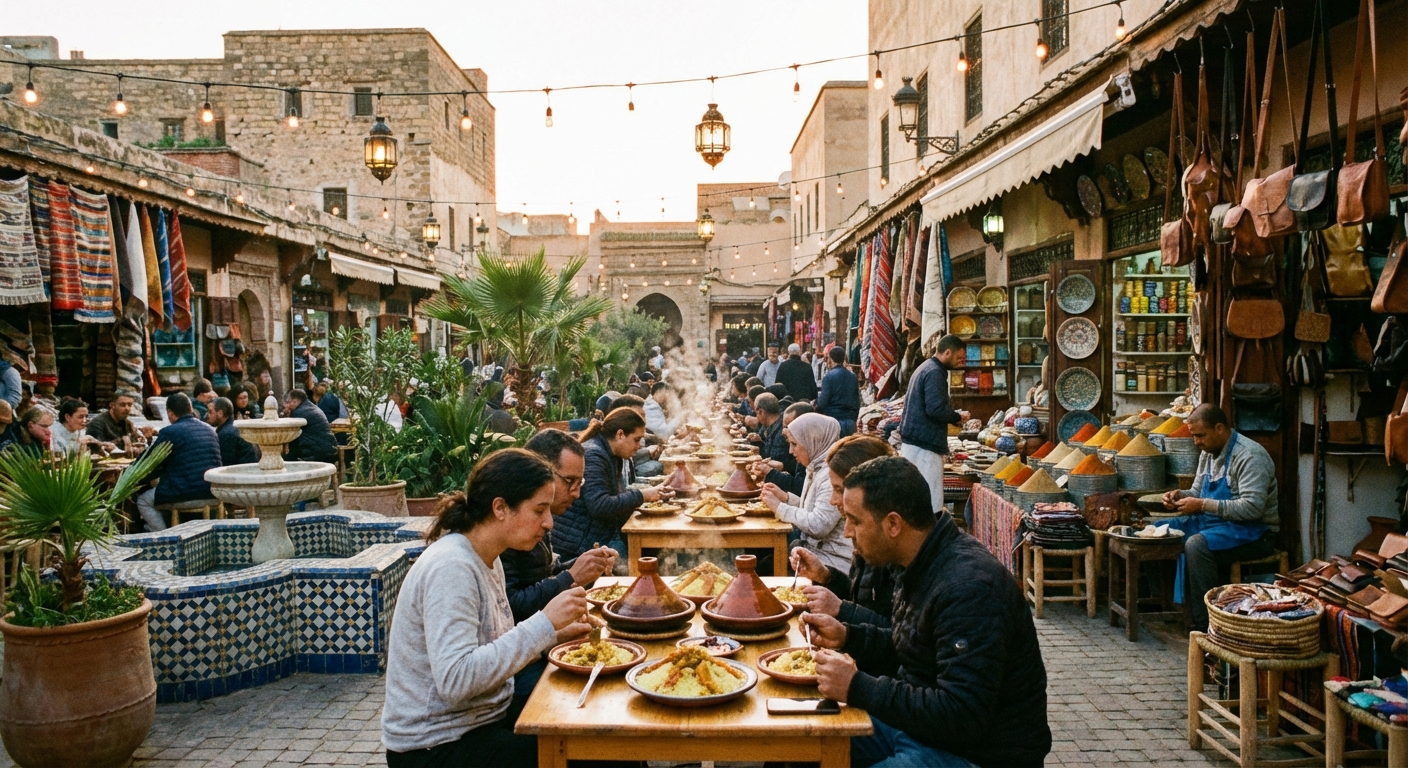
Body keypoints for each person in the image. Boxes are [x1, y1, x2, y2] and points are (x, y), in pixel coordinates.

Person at [801, 457, 1051, 767]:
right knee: (798, 742)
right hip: (922, 732)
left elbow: (962, 714)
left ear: (893, 524)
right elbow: (915, 649)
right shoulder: (921, 560)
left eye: (854, 520)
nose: (848, 531)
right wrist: (848, 636)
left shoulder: (967, 589)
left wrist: (857, 686)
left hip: (978, 753)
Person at [381, 449, 591, 767]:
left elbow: (493, 649)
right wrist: (544, 624)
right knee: (593, 756)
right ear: (500, 508)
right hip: (435, 747)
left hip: (480, 723)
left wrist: (554, 636)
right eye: (539, 510)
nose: (549, 522)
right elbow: (456, 680)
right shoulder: (452, 567)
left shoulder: (488, 558)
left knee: (589, 731)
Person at [503, 429, 617, 701]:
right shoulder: (509, 526)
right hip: (511, 668)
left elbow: (542, 574)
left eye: (581, 482)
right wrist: (570, 577)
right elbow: (511, 606)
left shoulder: (540, 519)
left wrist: (580, 566)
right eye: (570, 482)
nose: (577, 493)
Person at [1160, 403, 1280, 630]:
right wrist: (1178, 496)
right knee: (1159, 529)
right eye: (1194, 436)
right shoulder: (1209, 452)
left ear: (1219, 428)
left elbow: (1252, 508)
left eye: (1200, 436)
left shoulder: (1249, 456)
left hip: (1255, 532)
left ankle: (1206, 624)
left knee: (1196, 545)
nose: (1196, 442)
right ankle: (1170, 608)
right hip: (1215, 523)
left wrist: (1202, 504)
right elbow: (1196, 492)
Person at [792, 435, 899, 626]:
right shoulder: (869, 532)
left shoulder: (891, 543)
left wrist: (842, 611)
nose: (833, 500)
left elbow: (899, 639)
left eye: (839, 490)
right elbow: (861, 597)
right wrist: (826, 576)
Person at [553, 408, 669, 561]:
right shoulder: (594, 454)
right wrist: (642, 495)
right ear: (620, 434)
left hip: (594, 537)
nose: (640, 445)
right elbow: (599, 505)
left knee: (655, 551)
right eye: (636, 439)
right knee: (646, 560)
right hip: (576, 546)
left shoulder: (611, 453)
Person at [760, 413, 852, 572]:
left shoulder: (831, 474)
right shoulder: (816, 466)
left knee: (764, 567)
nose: (790, 451)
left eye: (795, 444)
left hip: (832, 563)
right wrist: (786, 498)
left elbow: (819, 525)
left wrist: (780, 508)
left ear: (812, 440)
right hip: (815, 551)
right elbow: (814, 509)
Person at [897, 334, 970, 514]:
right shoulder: (934, 372)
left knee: (916, 496)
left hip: (916, 442)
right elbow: (935, 409)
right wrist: (957, 417)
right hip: (924, 445)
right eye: (959, 357)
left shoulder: (927, 367)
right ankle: (932, 537)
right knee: (930, 499)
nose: (962, 361)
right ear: (947, 353)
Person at [134, 394, 223, 532]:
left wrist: (131, 474)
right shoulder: (210, 430)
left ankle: (164, 535)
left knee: (143, 500)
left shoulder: (170, 432)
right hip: (213, 492)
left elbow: (148, 461)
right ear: (190, 409)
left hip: (185, 493)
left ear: (170, 413)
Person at [284, 389, 338, 464]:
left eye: (288, 402)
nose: (287, 405)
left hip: (317, 454)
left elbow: (291, 435)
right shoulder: (310, 407)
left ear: (295, 401)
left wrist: (286, 416)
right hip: (330, 450)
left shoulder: (299, 412)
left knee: (285, 460)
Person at [817, 346, 861, 436]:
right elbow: (857, 400)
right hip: (850, 421)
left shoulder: (829, 377)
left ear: (831, 359)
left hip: (834, 421)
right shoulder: (853, 376)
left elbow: (823, 402)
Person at [752, 393, 799, 477]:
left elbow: (797, 464)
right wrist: (758, 443)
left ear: (760, 411)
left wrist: (784, 466)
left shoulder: (784, 429)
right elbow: (769, 456)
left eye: (756, 412)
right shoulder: (768, 427)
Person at [208, 396, 258, 466]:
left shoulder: (227, 433)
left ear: (220, 413)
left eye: (210, 411)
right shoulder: (232, 427)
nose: (208, 415)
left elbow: (226, 464)